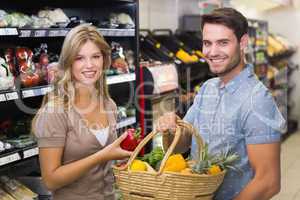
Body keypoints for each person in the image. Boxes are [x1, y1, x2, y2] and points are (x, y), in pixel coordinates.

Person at [156, 8, 285, 200]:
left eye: (223, 43)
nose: (212, 52)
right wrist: (171, 128)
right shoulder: (208, 88)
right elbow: (181, 146)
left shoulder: (257, 100)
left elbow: (268, 182)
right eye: (207, 43)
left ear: (243, 43)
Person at [32, 24, 132, 200]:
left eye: (96, 56)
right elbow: (50, 180)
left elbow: (105, 167)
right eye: (79, 58)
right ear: (69, 62)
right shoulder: (55, 112)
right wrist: (103, 156)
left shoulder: (109, 105)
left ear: (105, 59)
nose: (90, 65)